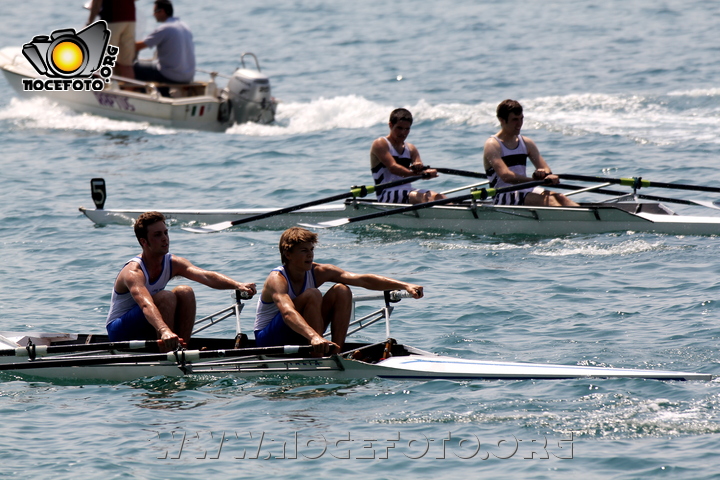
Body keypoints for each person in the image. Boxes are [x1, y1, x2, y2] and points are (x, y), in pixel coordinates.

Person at [254, 227, 425, 355]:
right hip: (269, 340)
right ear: (288, 254)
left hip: (305, 334)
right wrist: (314, 337)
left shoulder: (319, 271)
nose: (310, 255)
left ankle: (336, 351)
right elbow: (288, 313)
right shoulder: (277, 279)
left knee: (342, 290)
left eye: (312, 250)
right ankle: (319, 351)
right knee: (313, 294)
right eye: (304, 251)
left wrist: (404, 285)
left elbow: (362, 279)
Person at [106, 211, 256, 350]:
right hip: (121, 332)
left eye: (165, 232)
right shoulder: (133, 272)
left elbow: (205, 276)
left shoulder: (172, 263)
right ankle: (167, 352)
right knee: (166, 296)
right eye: (157, 235)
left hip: (151, 324)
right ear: (144, 242)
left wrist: (238, 285)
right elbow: (145, 304)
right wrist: (164, 330)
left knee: (185, 291)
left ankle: (182, 348)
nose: (165, 238)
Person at [482, 99, 578, 207]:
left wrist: (542, 174)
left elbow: (546, 170)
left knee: (561, 198)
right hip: (503, 194)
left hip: (526, 189)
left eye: (521, 119)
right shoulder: (492, 144)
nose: (519, 124)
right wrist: (533, 180)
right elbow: (506, 177)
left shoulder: (526, 142)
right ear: (502, 120)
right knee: (551, 202)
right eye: (515, 120)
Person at [370, 108, 446, 204]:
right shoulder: (380, 143)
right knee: (425, 198)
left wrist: (424, 171)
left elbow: (420, 169)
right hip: (386, 193)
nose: (403, 133)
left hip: (408, 191)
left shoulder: (411, 148)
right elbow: (393, 168)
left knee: (440, 197)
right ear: (390, 125)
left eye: (407, 129)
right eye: (400, 128)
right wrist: (418, 175)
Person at [133, 0, 195, 84]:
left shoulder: (165, 28)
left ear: (162, 11)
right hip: (188, 76)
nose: (153, 14)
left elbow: (139, 46)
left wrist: (121, 43)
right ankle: (163, 92)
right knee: (154, 66)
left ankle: (143, 93)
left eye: (155, 11)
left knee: (135, 68)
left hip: (172, 75)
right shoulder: (184, 26)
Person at [87, 0, 136, 78]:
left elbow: (96, 4)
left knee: (106, 60)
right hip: (130, 19)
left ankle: (103, 88)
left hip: (112, 19)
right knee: (127, 64)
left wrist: (89, 23)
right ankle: (129, 89)